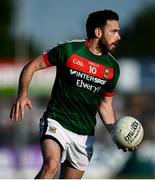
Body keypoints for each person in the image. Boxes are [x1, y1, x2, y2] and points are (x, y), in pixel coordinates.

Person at [10, 10, 136, 179]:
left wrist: (117, 134)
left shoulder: (112, 68)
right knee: (51, 166)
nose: (119, 37)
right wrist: (22, 94)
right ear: (98, 32)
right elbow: (32, 66)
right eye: (114, 31)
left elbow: (105, 106)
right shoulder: (69, 50)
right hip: (57, 121)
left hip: (84, 135)